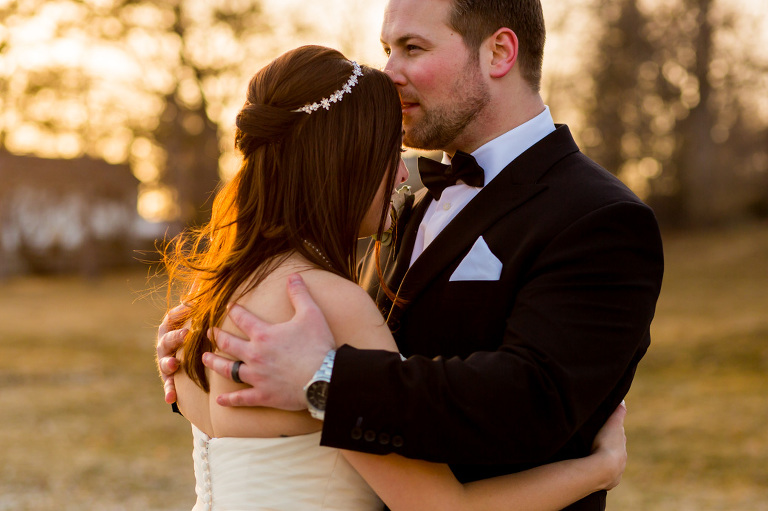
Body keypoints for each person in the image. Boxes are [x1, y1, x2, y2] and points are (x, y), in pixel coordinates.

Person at [159, 0, 665, 507]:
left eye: (412, 48)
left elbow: (531, 403)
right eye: (386, 50)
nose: (390, 72)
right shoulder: (403, 204)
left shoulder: (599, 217)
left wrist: (323, 382)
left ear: (500, 52)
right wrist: (223, 359)